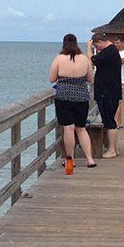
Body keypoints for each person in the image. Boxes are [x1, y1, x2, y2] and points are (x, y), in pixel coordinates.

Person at [49, 34, 96, 172]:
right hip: (81, 96)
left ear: (64, 43)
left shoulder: (59, 58)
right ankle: (90, 159)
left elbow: (52, 78)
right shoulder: (84, 59)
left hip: (64, 96)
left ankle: (70, 161)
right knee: (81, 128)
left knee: (68, 128)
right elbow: (90, 79)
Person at [90, 33, 121, 158]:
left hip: (107, 92)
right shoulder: (112, 51)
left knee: (109, 122)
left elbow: (92, 60)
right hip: (111, 91)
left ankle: (111, 150)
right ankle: (114, 149)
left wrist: (88, 49)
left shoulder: (109, 51)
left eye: (96, 46)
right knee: (110, 121)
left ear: (100, 41)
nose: (97, 49)